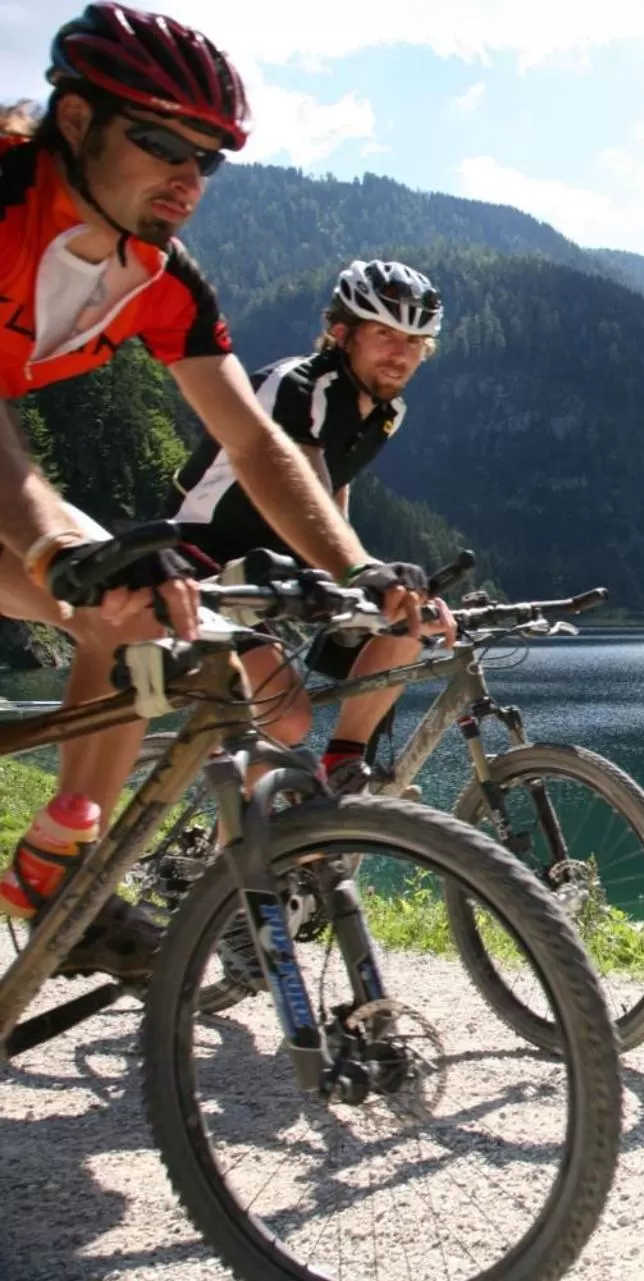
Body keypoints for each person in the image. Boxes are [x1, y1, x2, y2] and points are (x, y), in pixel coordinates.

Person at [0, 3, 437, 980]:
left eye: (211, 159)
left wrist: (360, 574)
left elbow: (254, 440)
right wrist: (50, 547)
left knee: (133, 617)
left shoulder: (163, 278)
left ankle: (61, 859)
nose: (189, 180)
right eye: (164, 145)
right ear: (75, 121)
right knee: (103, 580)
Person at [173, 259, 449, 790]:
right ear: (342, 333)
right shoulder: (297, 386)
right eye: (385, 334)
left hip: (282, 573)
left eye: (414, 341)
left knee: (408, 625)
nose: (401, 353)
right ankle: (246, 857)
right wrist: (361, 571)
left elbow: (335, 485)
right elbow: (302, 481)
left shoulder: (386, 411)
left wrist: (367, 575)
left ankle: (341, 762)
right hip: (205, 563)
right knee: (288, 717)